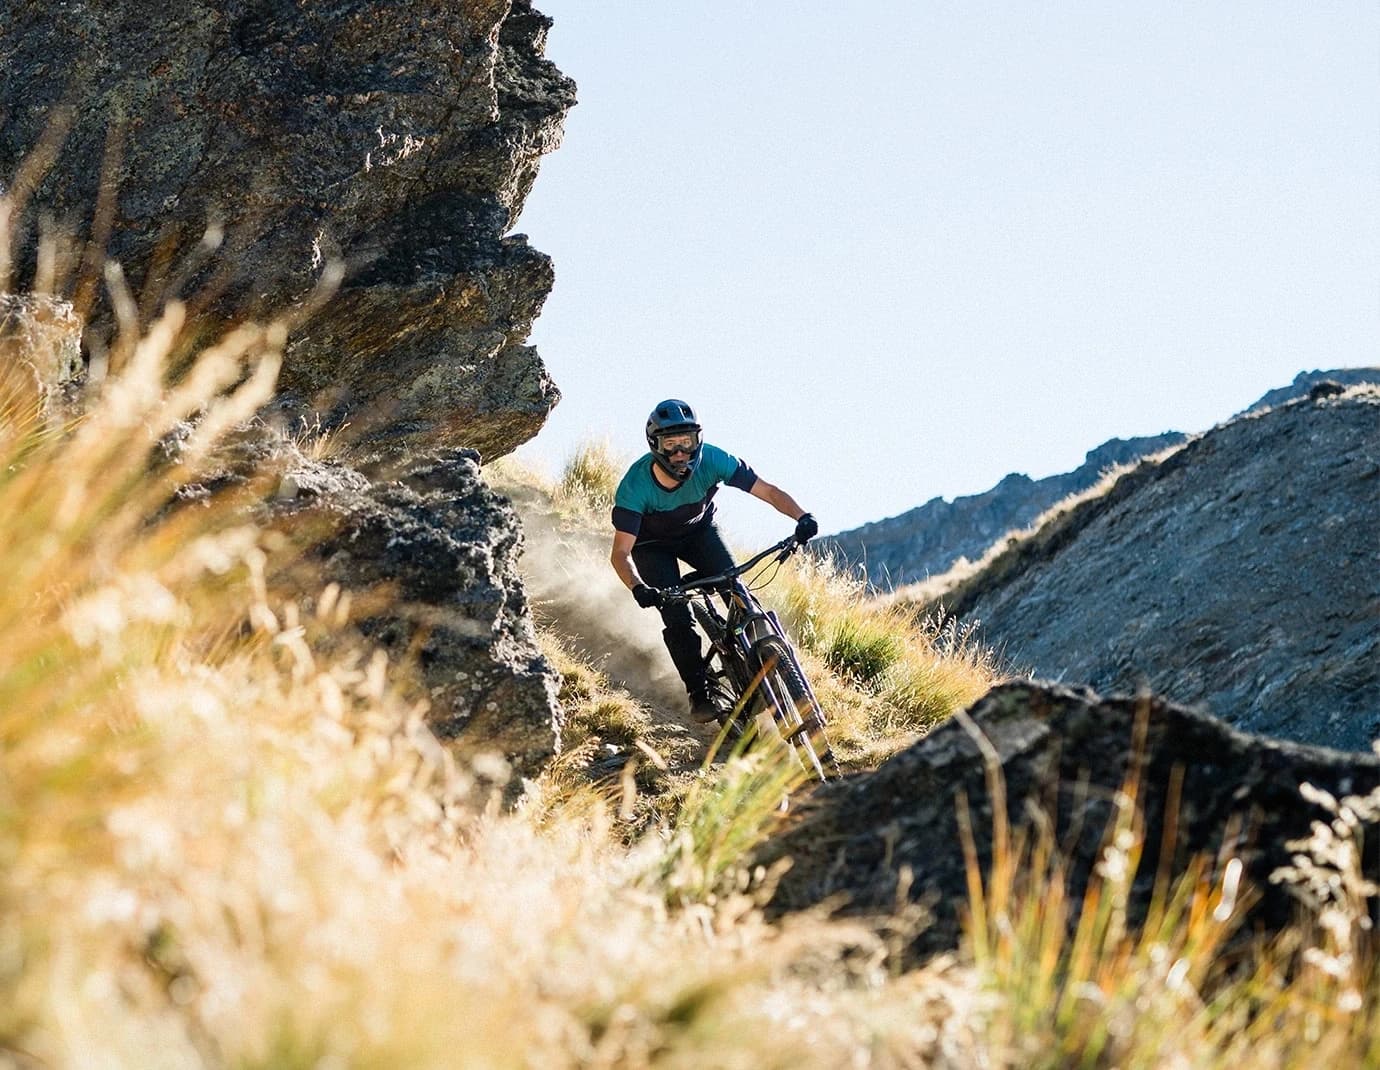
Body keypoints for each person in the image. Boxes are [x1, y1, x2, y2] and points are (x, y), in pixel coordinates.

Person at [609, 399, 818, 723]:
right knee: (677, 614)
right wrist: (639, 588)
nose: (680, 452)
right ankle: (698, 693)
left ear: (698, 440)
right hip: (652, 548)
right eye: (670, 444)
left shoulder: (715, 460)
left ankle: (764, 660)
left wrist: (802, 517)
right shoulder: (635, 487)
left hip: (699, 533)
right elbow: (621, 553)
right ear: (655, 445)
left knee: (737, 589)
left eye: (686, 442)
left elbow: (768, 491)